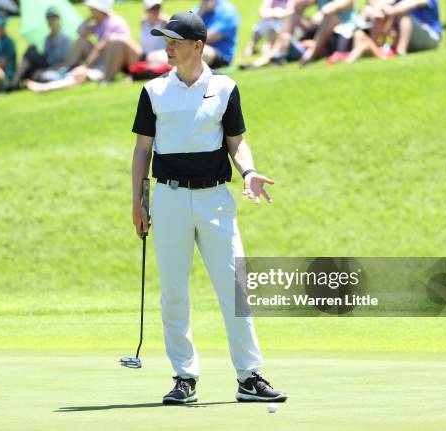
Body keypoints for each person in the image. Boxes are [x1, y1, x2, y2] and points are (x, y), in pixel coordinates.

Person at [131, 12, 287, 405]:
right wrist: (138, 201)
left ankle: (249, 376)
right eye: (164, 40)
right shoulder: (153, 91)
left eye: (174, 40)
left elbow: (236, 141)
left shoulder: (225, 87)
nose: (167, 47)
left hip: (216, 198)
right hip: (167, 199)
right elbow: (142, 150)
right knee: (174, 294)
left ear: (197, 45)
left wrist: (249, 171)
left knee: (235, 287)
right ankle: (185, 377)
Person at [26, 0, 164, 92]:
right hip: (108, 59)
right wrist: (89, 19)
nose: (90, 11)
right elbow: (80, 32)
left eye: (93, 9)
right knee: (82, 41)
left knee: (84, 73)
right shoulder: (100, 22)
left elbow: (102, 47)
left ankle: (49, 86)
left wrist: (86, 66)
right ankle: (63, 71)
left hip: (121, 61)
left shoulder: (113, 22)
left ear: (100, 9)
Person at [9, 6, 72, 89]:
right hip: (49, 66)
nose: (51, 21)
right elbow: (47, 57)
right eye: (48, 18)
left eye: (53, 18)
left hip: (59, 70)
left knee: (36, 71)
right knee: (30, 51)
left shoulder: (65, 39)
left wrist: (49, 70)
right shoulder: (47, 39)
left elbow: (66, 62)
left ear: (58, 19)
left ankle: (15, 83)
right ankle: (15, 81)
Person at [299, 0, 355, 65]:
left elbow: (329, 10)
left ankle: (312, 53)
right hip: (325, 34)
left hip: (345, 34)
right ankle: (288, 50)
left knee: (330, 18)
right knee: (295, 16)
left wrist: (320, 13)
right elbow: (298, 5)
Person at [195, 0, 240, 68]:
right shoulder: (199, 9)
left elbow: (208, 38)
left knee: (197, 51)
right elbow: (182, 27)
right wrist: (199, 13)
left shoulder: (227, 11)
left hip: (221, 54)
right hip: (198, 46)